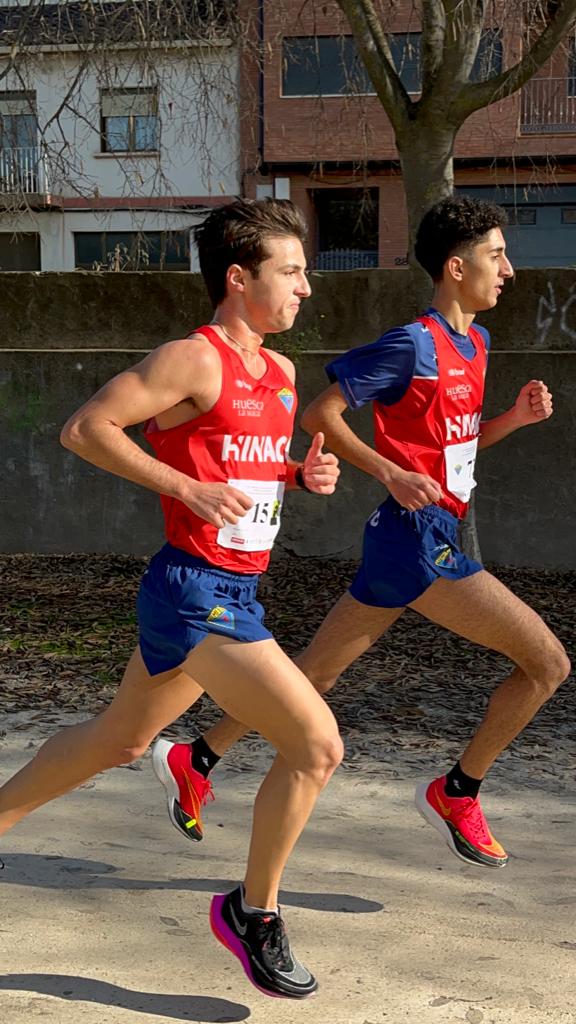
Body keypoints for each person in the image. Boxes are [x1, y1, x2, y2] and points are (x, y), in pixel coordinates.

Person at [152, 195, 570, 871]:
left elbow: (453, 453)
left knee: (311, 673)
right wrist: (389, 471)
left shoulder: (477, 343)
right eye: (498, 256)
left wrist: (512, 422)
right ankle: (455, 791)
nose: (510, 270)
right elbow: (323, 412)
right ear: (456, 267)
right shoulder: (414, 344)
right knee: (548, 663)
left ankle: (195, 757)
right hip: (415, 539)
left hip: (426, 530)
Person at [0, 198, 342, 999]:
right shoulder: (194, 359)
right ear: (238, 277)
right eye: (290, 272)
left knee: (119, 741)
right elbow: (87, 430)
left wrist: (299, 476)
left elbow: (245, 463)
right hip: (195, 594)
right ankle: (251, 913)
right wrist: (183, 486)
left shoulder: (283, 374)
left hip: (233, 591)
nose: (305, 289)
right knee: (316, 746)